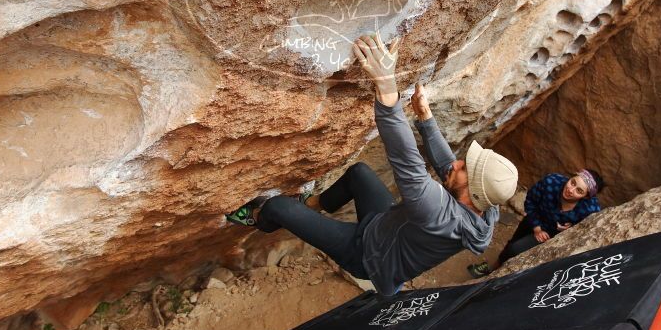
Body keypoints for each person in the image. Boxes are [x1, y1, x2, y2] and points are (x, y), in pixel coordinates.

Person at [225, 33, 519, 296]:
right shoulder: (485, 207)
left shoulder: (438, 215)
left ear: (472, 192)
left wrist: (388, 91)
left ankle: (257, 220)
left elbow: (409, 162)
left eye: (464, 169)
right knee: (359, 174)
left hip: (366, 255)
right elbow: (446, 168)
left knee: (279, 208)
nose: (456, 164)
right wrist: (426, 118)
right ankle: (313, 204)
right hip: (386, 226)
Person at [467, 169, 603, 278]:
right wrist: (537, 227)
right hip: (534, 219)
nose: (570, 190)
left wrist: (569, 230)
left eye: (579, 191)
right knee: (513, 243)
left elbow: (586, 231)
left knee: (515, 250)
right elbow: (530, 201)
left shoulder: (590, 210)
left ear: (586, 197)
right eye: (573, 182)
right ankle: (494, 268)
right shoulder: (551, 182)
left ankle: (499, 274)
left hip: (551, 235)